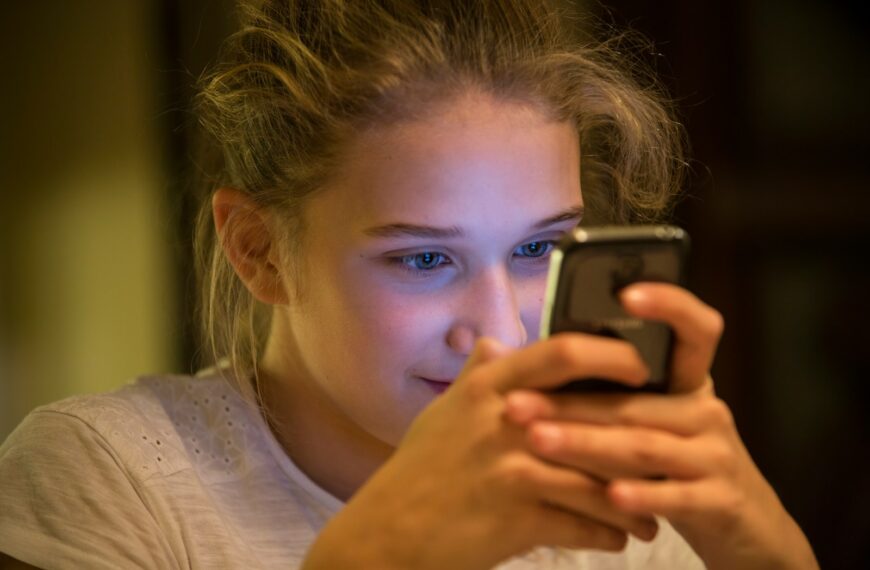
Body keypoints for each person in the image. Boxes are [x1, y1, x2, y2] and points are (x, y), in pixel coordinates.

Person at [0, 1, 818, 568]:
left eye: (540, 249)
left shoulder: (620, 509)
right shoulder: (106, 480)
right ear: (258, 250)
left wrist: (767, 550)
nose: (499, 336)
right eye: (425, 259)